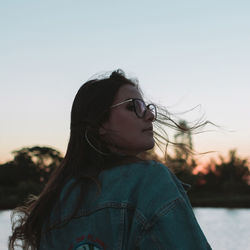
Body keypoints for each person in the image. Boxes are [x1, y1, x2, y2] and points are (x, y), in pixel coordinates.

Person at [9, 70, 212, 249]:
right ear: (100, 124)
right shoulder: (150, 182)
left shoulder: (54, 204)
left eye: (147, 107)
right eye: (134, 107)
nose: (150, 115)